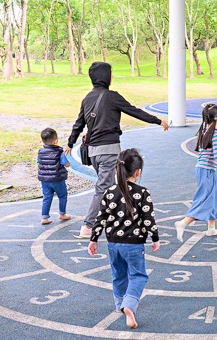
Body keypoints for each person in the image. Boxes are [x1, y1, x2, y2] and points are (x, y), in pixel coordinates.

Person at [67, 62, 168, 239]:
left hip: (94, 153)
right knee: (104, 187)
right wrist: (157, 121)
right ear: (105, 77)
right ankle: (88, 226)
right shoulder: (112, 97)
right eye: (110, 73)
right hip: (109, 151)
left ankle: (117, 216)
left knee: (112, 185)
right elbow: (134, 111)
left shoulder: (87, 98)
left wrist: (70, 142)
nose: (112, 77)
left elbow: (79, 124)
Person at [88, 149, 159, 329]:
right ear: (138, 172)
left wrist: (94, 239)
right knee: (138, 275)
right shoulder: (143, 192)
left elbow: (100, 217)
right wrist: (155, 237)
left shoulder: (109, 192)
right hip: (134, 245)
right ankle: (129, 305)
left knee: (118, 274)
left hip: (113, 243)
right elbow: (148, 218)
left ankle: (120, 304)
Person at [175, 105, 217, 241]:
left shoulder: (204, 131)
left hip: (203, 169)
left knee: (215, 198)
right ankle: (183, 223)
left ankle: (211, 229)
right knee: (205, 200)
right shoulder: (216, 134)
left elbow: (208, 154)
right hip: (206, 171)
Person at [37, 127, 72, 225]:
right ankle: (62, 213)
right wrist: (68, 163)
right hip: (57, 179)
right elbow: (65, 163)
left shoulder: (40, 151)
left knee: (47, 197)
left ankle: (44, 217)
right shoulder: (59, 151)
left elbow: (38, 161)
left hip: (45, 180)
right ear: (56, 141)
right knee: (62, 195)